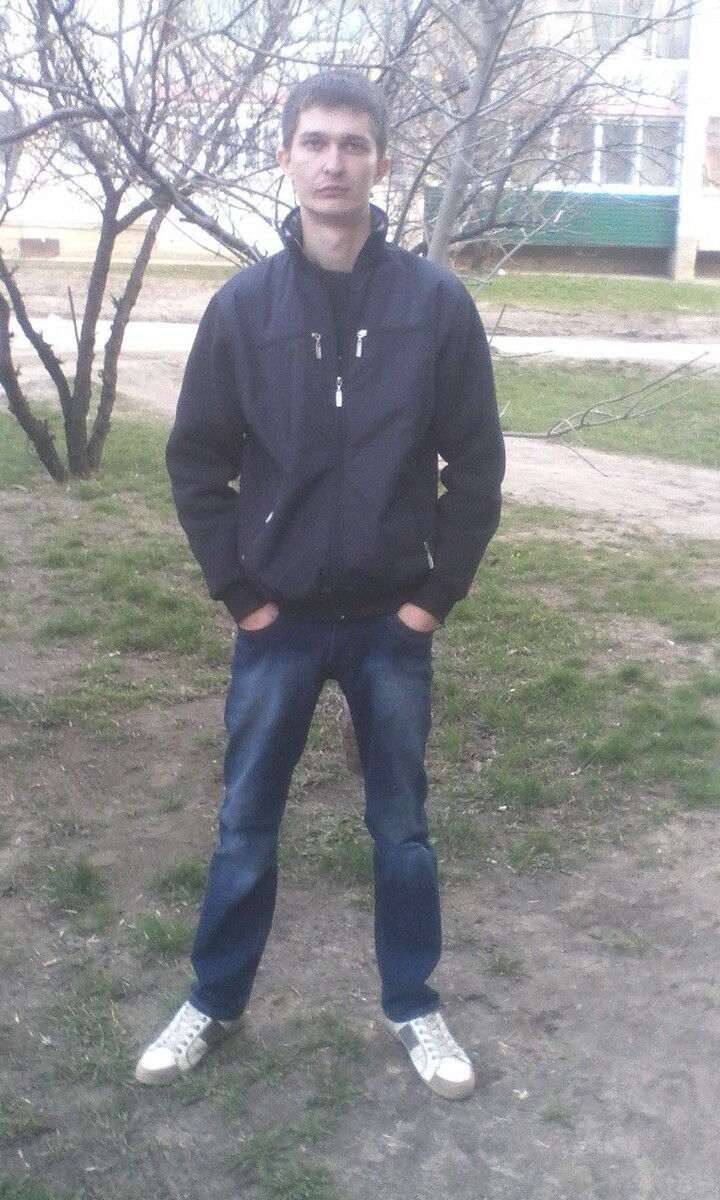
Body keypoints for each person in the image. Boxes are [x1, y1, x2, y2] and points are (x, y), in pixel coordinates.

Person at [135, 70, 505, 1101]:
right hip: (280, 622)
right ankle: (214, 1000)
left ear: (381, 160)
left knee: (403, 830)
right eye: (315, 142)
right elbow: (195, 462)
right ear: (286, 157)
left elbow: (476, 469)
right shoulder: (244, 307)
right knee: (245, 825)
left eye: (352, 143)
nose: (333, 162)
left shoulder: (435, 304)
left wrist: (431, 600)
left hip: (392, 622)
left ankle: (414, 1005)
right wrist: (241, 595)